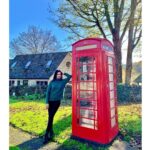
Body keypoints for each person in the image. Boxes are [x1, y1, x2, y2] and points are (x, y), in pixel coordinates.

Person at [43, 70, 72, 144]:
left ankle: (46, 134)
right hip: (50, 102)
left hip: (57, 102)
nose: (59, 75)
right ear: (55, 75)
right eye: (57, 74)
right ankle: (51, 132)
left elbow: (70, 76)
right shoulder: (52, 82)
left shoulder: (63, 81)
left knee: (51, 116)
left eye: (60, 74)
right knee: (50, 117)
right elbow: (48, 92)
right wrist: (46, 103)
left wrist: (64, 72)